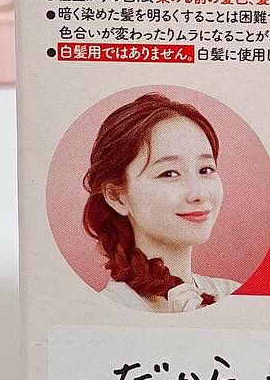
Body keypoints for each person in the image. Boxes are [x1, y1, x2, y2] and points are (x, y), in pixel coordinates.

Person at [82, 92, 234, 310]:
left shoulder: (234, 295)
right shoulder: (103, 312)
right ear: (117, 196)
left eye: (206, 169)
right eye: (169, 173)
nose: (198, 194)